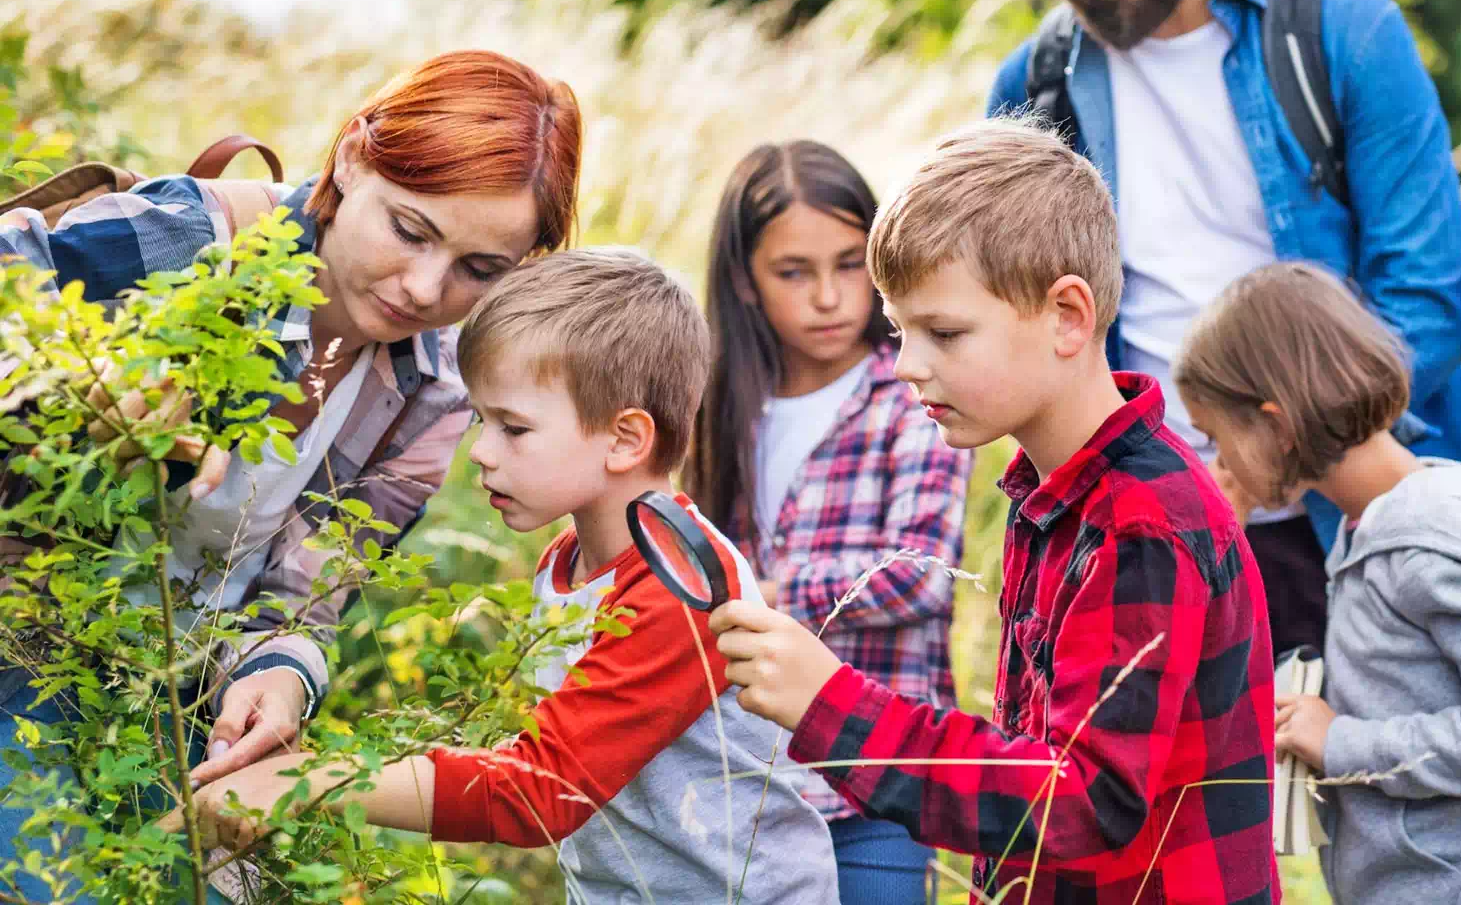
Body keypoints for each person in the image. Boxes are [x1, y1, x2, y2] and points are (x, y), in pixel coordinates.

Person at [0, 50, 580, 892]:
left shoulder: (436, 391)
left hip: (171, 693)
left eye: (479, 270)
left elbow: (305, 596)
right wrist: (89, 385)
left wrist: (279, 676)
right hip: (25, 642)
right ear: (350, 159)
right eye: (410, 230)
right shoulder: (199, 242)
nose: (424, 288)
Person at [710, 118, 1276, 904]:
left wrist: (832, 705)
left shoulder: (1143, 522)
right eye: (901, 329)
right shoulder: (1048, 495)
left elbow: (1083, 802)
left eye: (944, 332)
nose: (908, 365)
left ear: (1068, 317)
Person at [175, 247, 839, 904]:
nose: (482, 455)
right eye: (481, 420)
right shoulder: (571, 564)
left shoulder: (679, 585)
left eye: (514, 428)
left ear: (625, 439)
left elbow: (541, 792)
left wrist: (309, 780)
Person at [984, 0, 1461, 657]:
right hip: (1135, 540)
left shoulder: (1345, 33)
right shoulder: (1031, 88)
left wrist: (1263, 456)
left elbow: (1430, 300)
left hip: (1352, 534)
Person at [1174, 261, 1461, 904]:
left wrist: (1343, 742)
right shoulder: (1367, 531)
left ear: (1276, 427)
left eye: (1217, 438)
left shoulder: (1429, 542)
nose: (1215, 462)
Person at [685, 141, 971, 903]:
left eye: (851, 264)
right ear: (745, 280)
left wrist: (769, 597)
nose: (829, 297)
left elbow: (922, 576)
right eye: (794, 272)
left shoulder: (914, 395)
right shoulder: (716, 409)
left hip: (875, 786)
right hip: (745, 786)